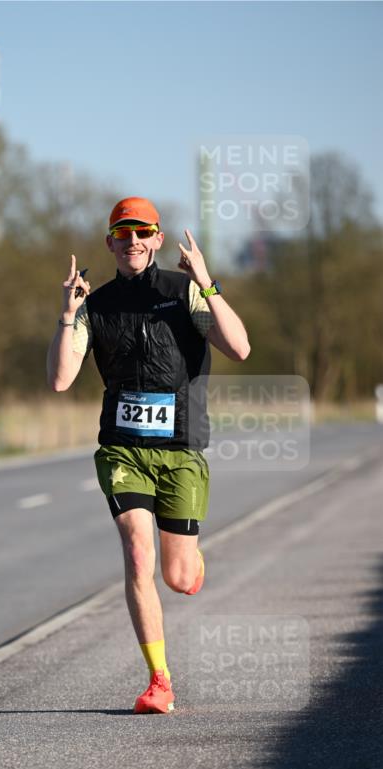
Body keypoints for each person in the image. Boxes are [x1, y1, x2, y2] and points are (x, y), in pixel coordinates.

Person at [47, 197, 250, 714]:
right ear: (110, 242)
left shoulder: (184, 292)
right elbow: (61, 379)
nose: (133, 241)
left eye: (143, 233)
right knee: (138, 553)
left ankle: (190, 561)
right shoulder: (97, 305)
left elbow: (239, 347)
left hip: (181, 450)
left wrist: (206, 280)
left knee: (178, 578)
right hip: (122, 451)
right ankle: (159, 680)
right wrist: (67, 316)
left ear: (157, 239)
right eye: (123, 233)